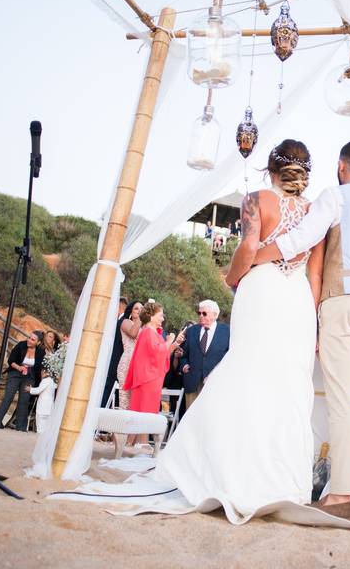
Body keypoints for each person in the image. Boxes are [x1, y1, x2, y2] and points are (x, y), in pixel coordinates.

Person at [97, 140, 320, 522]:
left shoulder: (256, 200)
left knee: (247, 371)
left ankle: (230, 470)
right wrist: (310, 320)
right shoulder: (317, 214)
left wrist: (233, 278)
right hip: (298, 300)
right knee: (288, 383)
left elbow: (249, 246)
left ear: (270, 169)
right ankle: (283, 480)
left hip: (262, 289)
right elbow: (314, 274)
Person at [253, 139, 350, 521]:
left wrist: (259, 257)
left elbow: (302, 238)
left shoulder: (336, 197)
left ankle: (340, 494)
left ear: (342, 166)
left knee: (341, 399)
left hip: (341, 301)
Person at [123, 301, 177, 452]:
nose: (162, 319)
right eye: (160, 315)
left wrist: (172, 345)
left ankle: (133, 443)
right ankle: (141, 443)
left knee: (145, 409)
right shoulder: (147, 332)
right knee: (144, 410)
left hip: (152, 377)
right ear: (152, 316)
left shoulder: (152, 332)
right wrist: (169, 342)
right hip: (148, 377)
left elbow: (161, 354)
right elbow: (157, 352)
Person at [178, 300, 230, 408]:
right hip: (192, 382)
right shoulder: (191, 331)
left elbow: (229, 356)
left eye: (204, 313)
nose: (201, 316)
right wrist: (184, 365)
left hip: (215, 384)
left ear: (215, 315)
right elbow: (183, 355)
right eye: (199, 313)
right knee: (191, 420)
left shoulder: (227, 331)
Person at [0, 331, 45, 430]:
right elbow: (10, 361)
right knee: (8, 397)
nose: (29, 340)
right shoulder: (21, 345)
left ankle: (21, 427)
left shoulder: (41, 352)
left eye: (33, 339)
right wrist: (19, 368)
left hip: (29, 376)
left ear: (38, 342)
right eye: (29, 337)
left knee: (24, 401)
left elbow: (39, 368)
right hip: (15, 373)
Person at [115, 300, 143, 409]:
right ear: (130, 311)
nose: (139, 310)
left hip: (139, 363)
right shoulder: (125, 322)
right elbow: (133, 333)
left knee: (135, 400)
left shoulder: (144, 328)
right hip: (127, 362)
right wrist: (141, 317)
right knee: (125, 399)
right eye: (136, 308)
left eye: (142, 308)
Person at [27, 365, 56, 434]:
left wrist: (30, 389)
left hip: (43, 407)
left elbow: (38, 390)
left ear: (44, 371)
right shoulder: (52, 381)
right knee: (45, 426)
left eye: (41, 372)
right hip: (49, 407)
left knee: (40, 426)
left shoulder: (46, 380)